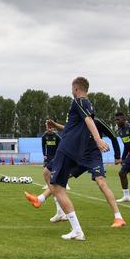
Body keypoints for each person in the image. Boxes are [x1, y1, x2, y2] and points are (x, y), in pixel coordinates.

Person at [29, 116, 126, 229]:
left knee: (101, 183)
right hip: (78, 157)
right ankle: (40, 199)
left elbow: (113, 136)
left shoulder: (97, 122)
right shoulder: (77, 121)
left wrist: (117, 156)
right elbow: (67, 129)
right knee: (60, 179)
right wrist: (55, 125)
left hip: (93, 157)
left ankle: (118, 217)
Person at [45, 77, 110, 241]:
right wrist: (55, 125)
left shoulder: (78, 101)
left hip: (67, 148)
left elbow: (89, 121)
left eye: (71, 88)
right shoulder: (87, 104)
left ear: (76, 88)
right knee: (47, 172)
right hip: (73, 150)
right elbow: (74, 126)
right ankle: (61, 212)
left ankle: (77, 230)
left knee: (58, 189)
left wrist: (97, 139)